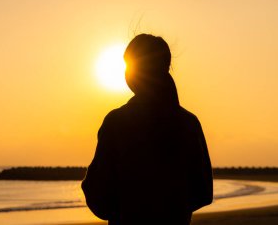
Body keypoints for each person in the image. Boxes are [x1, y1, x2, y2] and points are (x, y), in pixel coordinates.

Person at [81, 34, 213, 225]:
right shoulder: (189, 123)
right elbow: (203, 192)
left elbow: (98, 196)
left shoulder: (117, 122)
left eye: (129, 65)